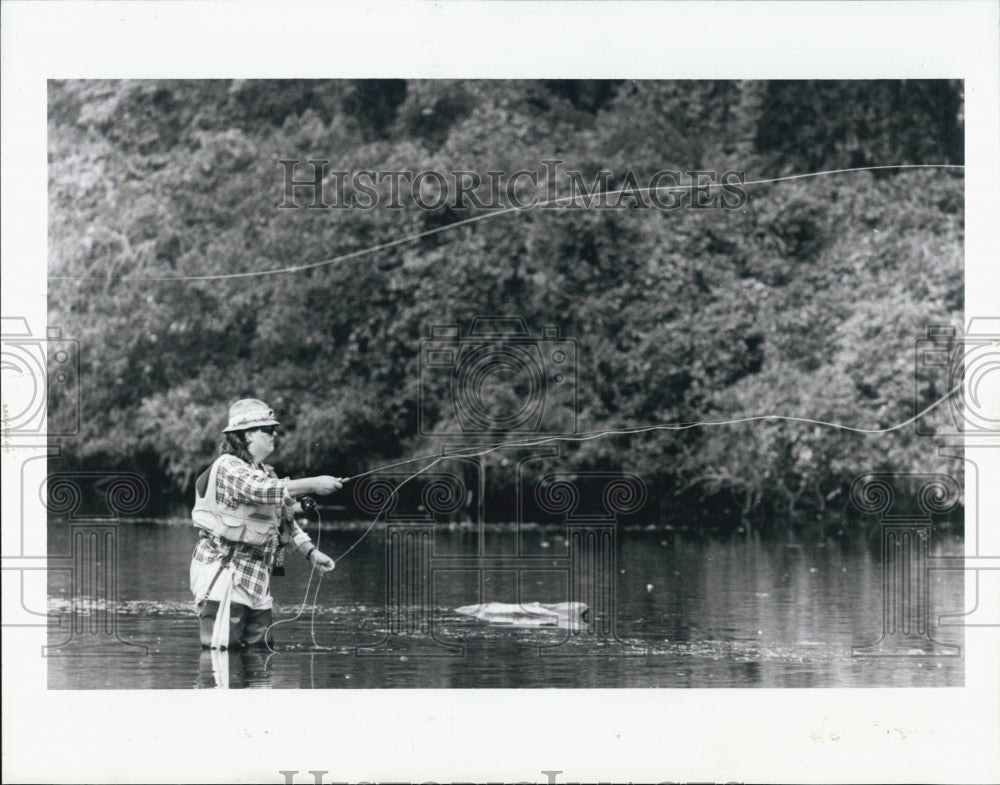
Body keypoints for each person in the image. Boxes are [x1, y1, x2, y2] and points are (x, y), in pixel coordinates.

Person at [190, 398, 345, 649]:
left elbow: (284, 520)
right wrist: (314, 484)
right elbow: (259, 490)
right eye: (268, 429)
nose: (275, 434)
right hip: (222, 573)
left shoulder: (264, 472)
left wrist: (311, 552)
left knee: (260, 655)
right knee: (221, 656)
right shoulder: (228, 466)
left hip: (256, 577)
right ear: (248, 434)